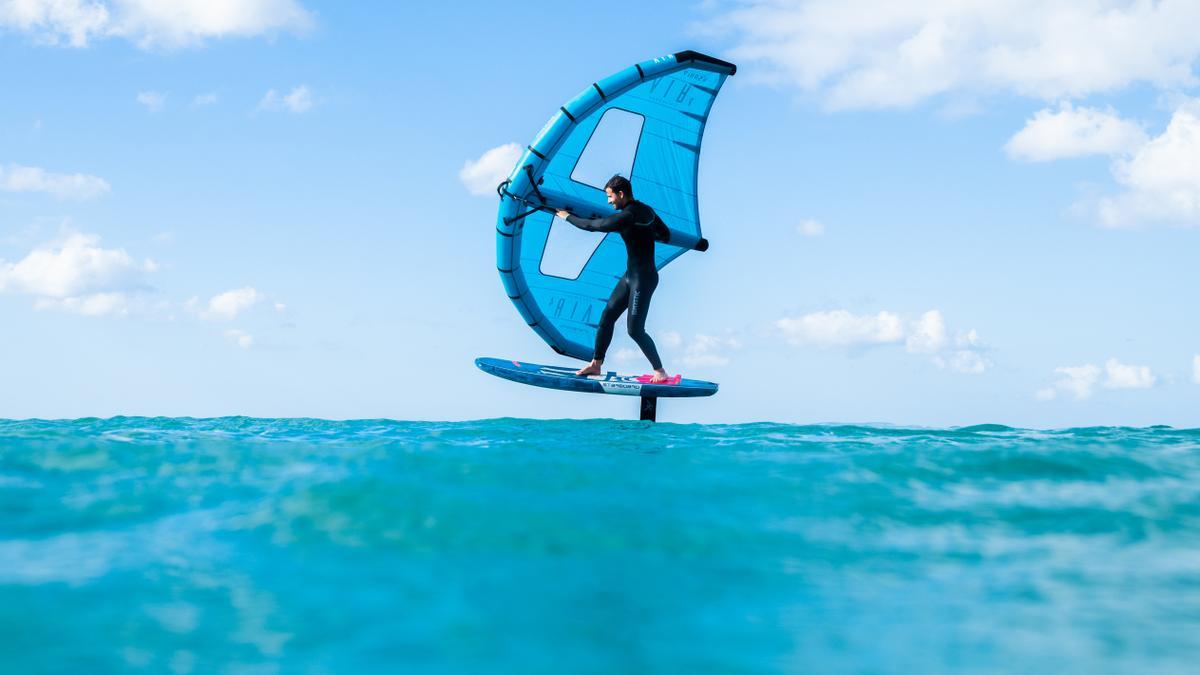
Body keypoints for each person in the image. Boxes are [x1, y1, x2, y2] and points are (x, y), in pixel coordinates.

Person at [556, 175, 672, 383]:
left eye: (610, 197)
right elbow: (665, 234)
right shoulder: (647, 210)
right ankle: (596, 364)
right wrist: (644, 234)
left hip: (643, 280)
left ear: (621, 193)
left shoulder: (627, 216)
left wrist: (566, 216)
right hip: (631, 276)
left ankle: (660, 371)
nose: (608, 202)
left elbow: (593, 226)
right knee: (607, 316)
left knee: (635, 330)